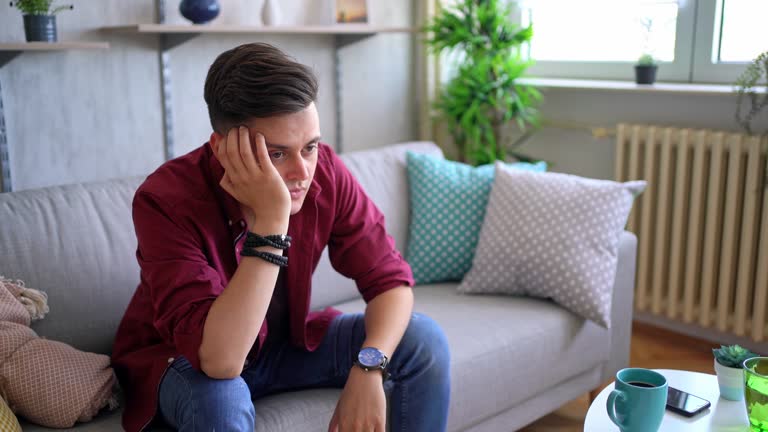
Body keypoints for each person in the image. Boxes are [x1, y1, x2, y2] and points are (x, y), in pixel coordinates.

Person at [111, 42, 451, 432]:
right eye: (277, 154)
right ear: (223, 149)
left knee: (422, 338)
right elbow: (221, 360)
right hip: (188, 362)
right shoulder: (166, 199)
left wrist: (368, 367)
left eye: (310, 147)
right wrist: (271, 220)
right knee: (219, 395)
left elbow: (392, 282)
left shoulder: (324, 171)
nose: (302, 172)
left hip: (283, 345)